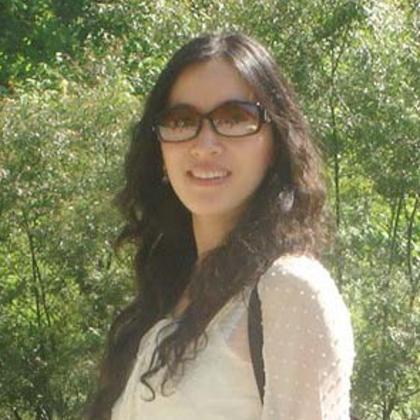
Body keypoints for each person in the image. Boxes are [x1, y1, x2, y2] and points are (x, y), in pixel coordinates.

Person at [85, 32, 355, 419]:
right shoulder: (166, 292)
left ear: (276, 143)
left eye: (235, 118)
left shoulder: (290, 289)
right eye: (182, 120)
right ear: (160, 149)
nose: (205, 145)